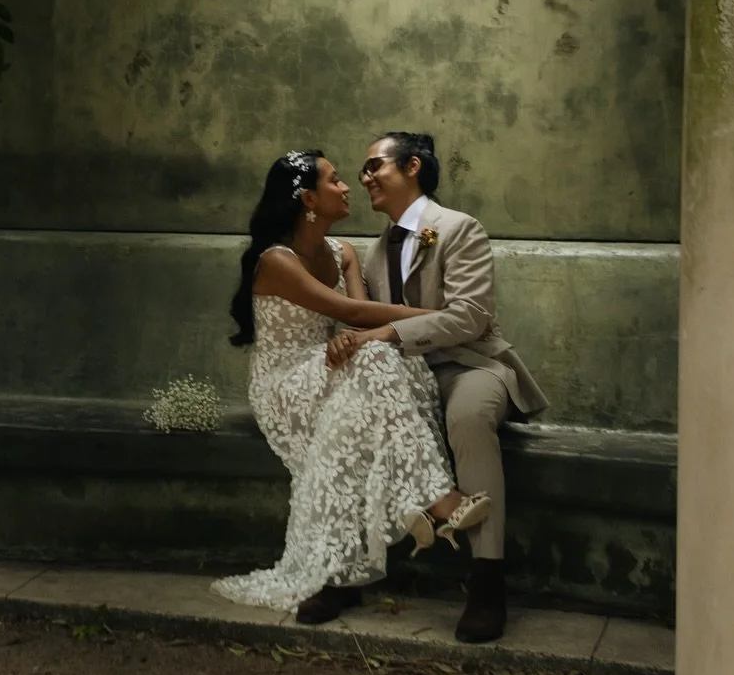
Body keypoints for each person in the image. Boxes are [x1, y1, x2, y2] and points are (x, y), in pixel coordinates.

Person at [212, 149, 491, 625]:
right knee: (379, 362)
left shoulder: (344, 254)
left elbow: (358, 326)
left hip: (329, 365)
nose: (347, 188)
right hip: (285, 384)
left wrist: (354, 344)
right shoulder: (275, 261)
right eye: (335, 180)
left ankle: (342, 574)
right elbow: (356, 314)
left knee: (383, 366)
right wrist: (444, 317)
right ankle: (434, 497)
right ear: (308, 199)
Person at [353, 131, 548, 644]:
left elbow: (469, 318)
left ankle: (487, 583)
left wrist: (389, 332)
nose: (366, 178)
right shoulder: (372, 254)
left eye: (375, 166)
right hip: (409, 373)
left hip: (473, 366)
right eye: (361, 173)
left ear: (412, 166)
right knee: (352, 412)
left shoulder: (459, 229)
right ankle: (345, 567)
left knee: (466, 417)